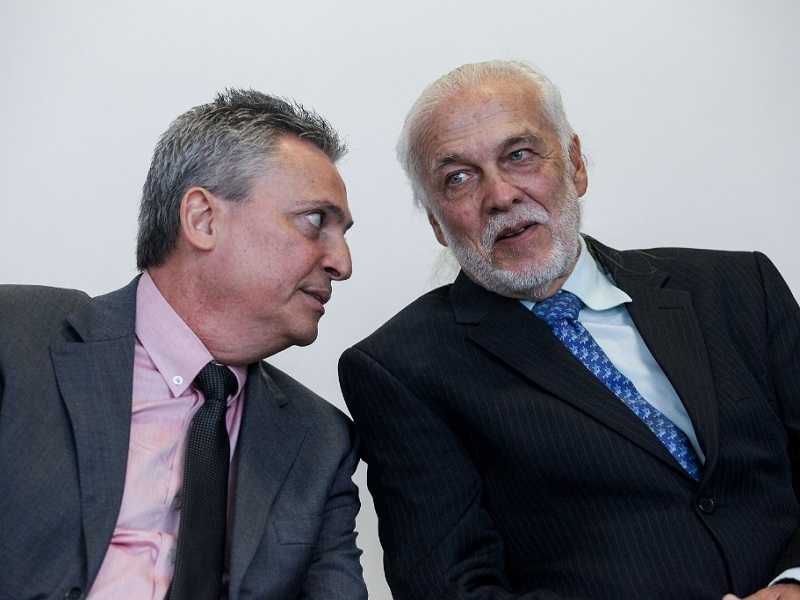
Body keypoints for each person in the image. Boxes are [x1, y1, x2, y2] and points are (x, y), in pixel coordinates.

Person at [338, 60, 800, 600]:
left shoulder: (738, 288)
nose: (501, 195)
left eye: (519, 155)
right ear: (437, 222)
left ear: (576, 165)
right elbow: (451, 589)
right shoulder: (401, 369)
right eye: (458, 178)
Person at [0, 89, 367, 600]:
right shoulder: (16, 338)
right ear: (202, 219)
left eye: (343, 234)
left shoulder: (320, 441)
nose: (342, 263)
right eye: (315, 222)